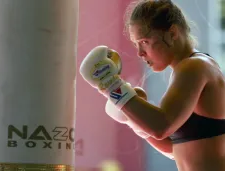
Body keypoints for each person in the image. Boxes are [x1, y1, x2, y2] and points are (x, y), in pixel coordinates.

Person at [79, 0, 225, 171]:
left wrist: (112, 86)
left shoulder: (194, 67)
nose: (140, 53)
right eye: (136, 45)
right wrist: (134, 120)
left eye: (144, 42)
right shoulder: (186, 69)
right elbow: (174, 147)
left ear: (172, 33)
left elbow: (161, 126)